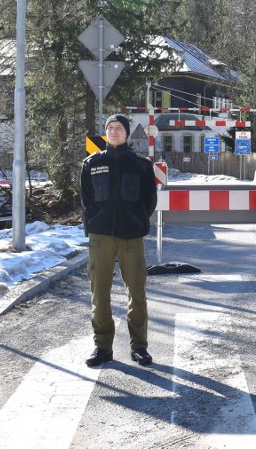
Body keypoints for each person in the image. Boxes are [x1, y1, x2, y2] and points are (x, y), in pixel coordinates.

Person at [80, 114, 157, 367]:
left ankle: (139, 347)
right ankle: (102, 347)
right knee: (99, 294)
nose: (114, 131)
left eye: (119, 128)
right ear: (105, 132)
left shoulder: (141, 165)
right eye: (110, 128)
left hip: (131, 237)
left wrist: (134, 221)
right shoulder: (91, 164)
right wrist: (95, 221)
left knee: (136, 292)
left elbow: (149, 201)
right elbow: (86, 199)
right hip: (100, 237)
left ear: (126, 132)